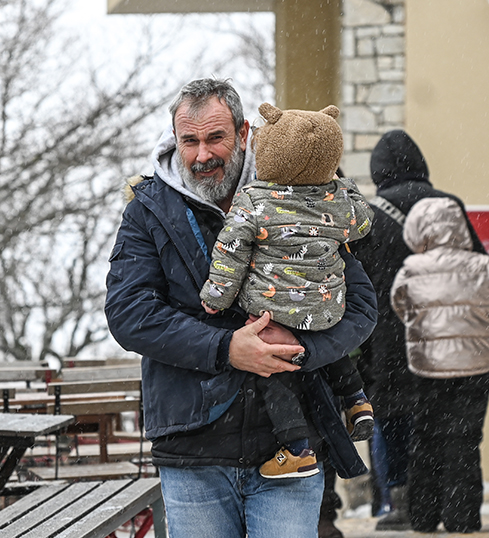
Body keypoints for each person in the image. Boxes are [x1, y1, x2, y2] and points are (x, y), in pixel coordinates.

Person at [104, 78, 377, 538]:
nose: (201, 155)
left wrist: (303, 344)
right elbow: (130, 313)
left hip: (293, 442)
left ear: (245, 132)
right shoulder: (147, 209)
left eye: (215, 138)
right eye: (188, 141)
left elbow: (362, 307)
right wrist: (225, 348)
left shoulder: (306, 193)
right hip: (193, 446)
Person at [199, 102, 375, 479]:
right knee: (327, 342)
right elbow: (363, 223)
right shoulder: (338, 201)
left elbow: (229, 253)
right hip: (327, 305)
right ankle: (357, 400)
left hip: (272, 310)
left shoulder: (254, 199)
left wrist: (216, 297)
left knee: (272, 374)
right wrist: (341, 186)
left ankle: (297, 449)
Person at [349, 129, 489, 531]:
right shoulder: (449, 206)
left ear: (379, 172)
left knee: (401, 425)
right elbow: (480, 270)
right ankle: (457, 508)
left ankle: (402, 503)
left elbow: (362, 286)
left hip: (393, 342)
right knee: (455, 432)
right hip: (456, 343)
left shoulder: (373, 215)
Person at [390, 196, 489, 533]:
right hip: (476, 367)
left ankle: (423, 514)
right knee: (464, 439)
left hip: (427, 368)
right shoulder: (485, 266)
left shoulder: (411, 269)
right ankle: (462, 518)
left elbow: (400, 308)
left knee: (426, 436)